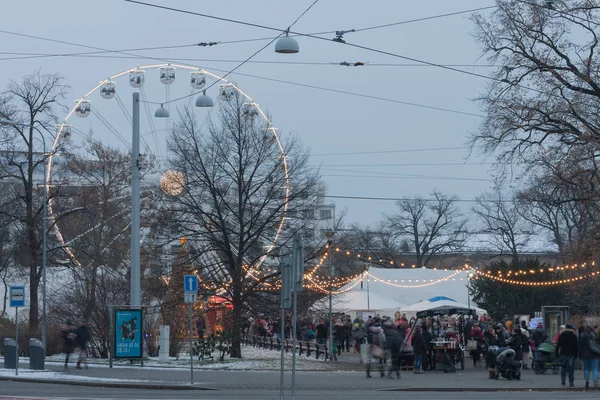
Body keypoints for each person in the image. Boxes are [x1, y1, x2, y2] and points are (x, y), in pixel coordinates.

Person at [555, 324, 578, 388]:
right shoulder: (573, 336)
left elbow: (558, 345)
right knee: (571, 368)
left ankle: (563, 380)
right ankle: (571, 382)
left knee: (563, 367)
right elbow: (576, 346)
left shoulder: (562, 335)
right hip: (571, 354)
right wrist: (576, 354)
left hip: (563, 353)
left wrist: (556, 354)